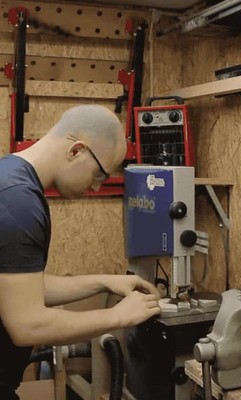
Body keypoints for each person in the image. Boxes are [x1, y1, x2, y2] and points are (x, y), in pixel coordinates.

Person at [0, 105, 161, 399]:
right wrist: (118, 316)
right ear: (76, 151)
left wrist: (103, 282)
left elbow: (19, 288)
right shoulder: (18, 202)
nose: (96, 187)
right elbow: (27, 325)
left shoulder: (8, 175)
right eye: (99, 175)